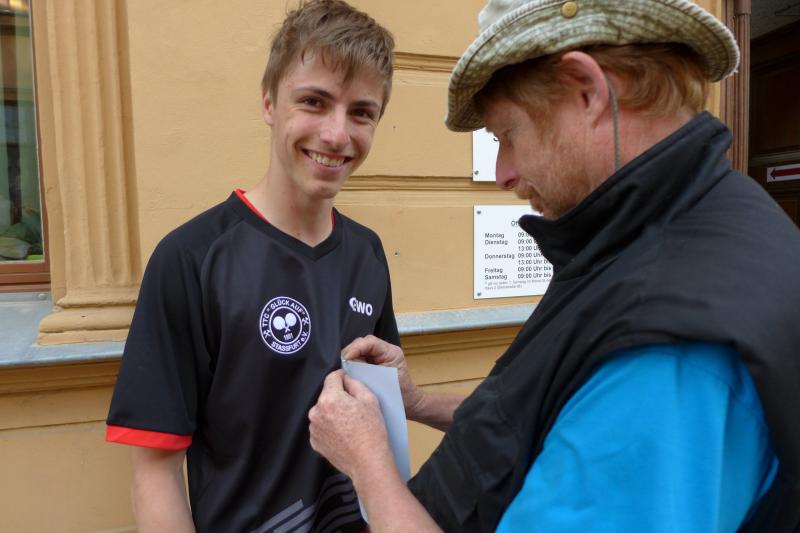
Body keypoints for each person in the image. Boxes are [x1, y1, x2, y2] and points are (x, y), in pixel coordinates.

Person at [307, 1, 800, 532]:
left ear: (586, 90)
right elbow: (542, 422)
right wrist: (419, 402)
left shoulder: (669, 346)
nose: (503, 172)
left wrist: (368, 465)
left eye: (507, 135)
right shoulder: (662, 238)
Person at [105, 1, 398, 531]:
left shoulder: (369, 254)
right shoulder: (191, 258)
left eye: (361, 112)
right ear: (268, 102)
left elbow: (378, 424)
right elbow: (155, 472)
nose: (337, 134)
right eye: (314, 101)